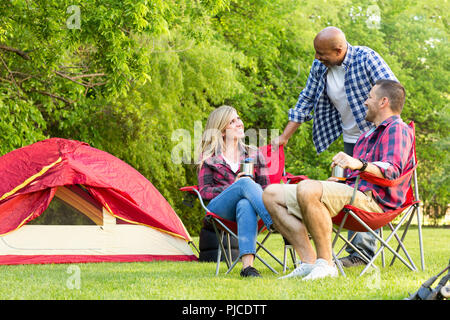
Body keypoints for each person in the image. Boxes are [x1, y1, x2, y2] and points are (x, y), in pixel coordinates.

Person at [272, 26, 398, 267]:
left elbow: (392, 92)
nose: (317, 57)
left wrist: (389, 131)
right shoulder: (320, 66)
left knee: (367, 192)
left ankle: (362, 255)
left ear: (339, 50)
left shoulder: (366, 58)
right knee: (350, 192)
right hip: (352, 139)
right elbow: (306, 100)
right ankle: (353, 253)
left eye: (321, 53)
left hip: (376, 137)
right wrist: (284, 137)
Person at [263, 80, 414, 280]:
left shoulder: (397, 129)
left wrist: (359, 164)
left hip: (375, 202)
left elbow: (393, 169)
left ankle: (326, 264)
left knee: (308, 188)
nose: (365, 102)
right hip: (354, 194)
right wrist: (339, 182)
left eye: (369, 97)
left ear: (383, 101)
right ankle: (309, 261)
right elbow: (356, 178)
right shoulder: (366, 136)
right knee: (271, 194)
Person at [197, 105, 273, 278]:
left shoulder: (254, 154)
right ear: (222, 131)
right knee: (245, 182)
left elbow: (266, 189)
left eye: (238, 118)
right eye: (232, 121)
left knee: (245, 203)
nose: (239, 123)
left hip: (249, 209)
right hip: (220, 210)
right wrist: (234, 187)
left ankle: (247, 268)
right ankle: (276, 220)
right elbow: (205, 192)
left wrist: (244, 189)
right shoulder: (209, 157)